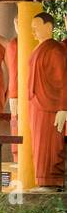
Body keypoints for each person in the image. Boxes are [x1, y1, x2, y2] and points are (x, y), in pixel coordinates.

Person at [26, 11, 67, 190]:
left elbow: (63, 80)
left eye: (37, 27)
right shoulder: (40, 48)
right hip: (37, 104)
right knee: (38, 144)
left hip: (51, 105)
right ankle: (43, 179)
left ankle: (51, 180)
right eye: (32, 28)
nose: (33, 32)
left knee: (50, 144)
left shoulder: (55, 49)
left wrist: (63, 107)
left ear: (49, 27)